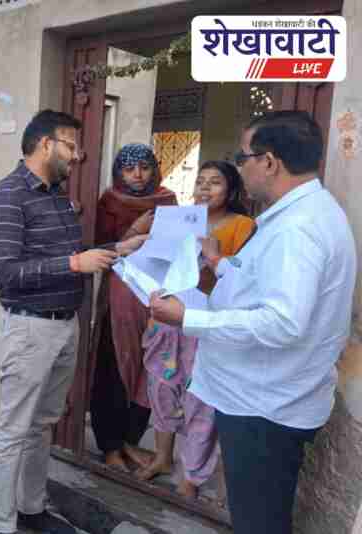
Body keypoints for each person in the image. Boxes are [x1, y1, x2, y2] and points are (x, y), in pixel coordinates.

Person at [150, 111, 357, 534]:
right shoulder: (301, 215)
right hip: (266, 397)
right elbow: (269, 285)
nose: (239, 167)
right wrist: (219, 264)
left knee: (258, 522)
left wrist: (188, 317)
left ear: (269, 162)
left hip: (264, 407)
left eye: (241, 157)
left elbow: (282, 322)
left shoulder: (299, 229)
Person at [0, 110, 146, 534]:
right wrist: (73, 263)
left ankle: (31, 509)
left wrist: (119, 248)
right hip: (29, 329)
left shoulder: (55, 195)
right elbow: (4, 272)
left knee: (41, 427)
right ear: (45, 144)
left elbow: (74, 257)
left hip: (64, 326)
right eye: (71, 145)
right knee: (13, 430)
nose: (77, 155)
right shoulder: (8, 196)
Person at [137, 161, 255, 499]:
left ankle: (192, 475)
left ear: (231, 190)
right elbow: (156, 262)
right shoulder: (179, 220)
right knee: (162, 390)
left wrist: (212, 260)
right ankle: (162, 457)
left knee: (200, 400)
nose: (204, 187)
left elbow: (244, 278)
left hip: (206, 324)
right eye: (200, 181)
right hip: (166, 321)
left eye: (215, 182)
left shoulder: (243, 226)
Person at [89, 143, 177, 472]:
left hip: (155, 298)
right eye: (129, 169)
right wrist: (136, 231)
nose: (138, 175)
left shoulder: (167, 201)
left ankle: (130, 441)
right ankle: (110, 446)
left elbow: (177, 246)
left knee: (148, 371)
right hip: (120, 300)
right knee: (113, 368)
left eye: (144, 167)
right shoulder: (109, 202)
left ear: (155, 168)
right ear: (119, 172)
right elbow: (97, 249)